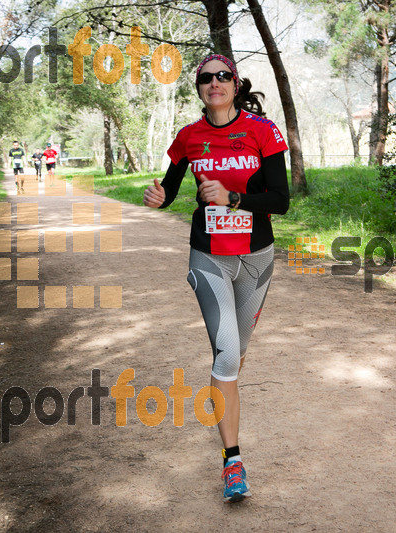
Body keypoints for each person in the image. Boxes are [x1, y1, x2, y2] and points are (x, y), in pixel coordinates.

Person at [143, 54, 289, 503]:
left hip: (256, 258)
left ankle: (226, 390)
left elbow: (280, 201)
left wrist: (233, 197)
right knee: (225, 358)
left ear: (236, 83)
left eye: (222, 76)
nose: (214, 83)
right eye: (205, 79)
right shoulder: (189, 136)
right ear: (199, 89)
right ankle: (233, 460)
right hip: (208, 257)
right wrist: (159, 196)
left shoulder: (262, 132)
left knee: (236, 355)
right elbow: (168, 189)